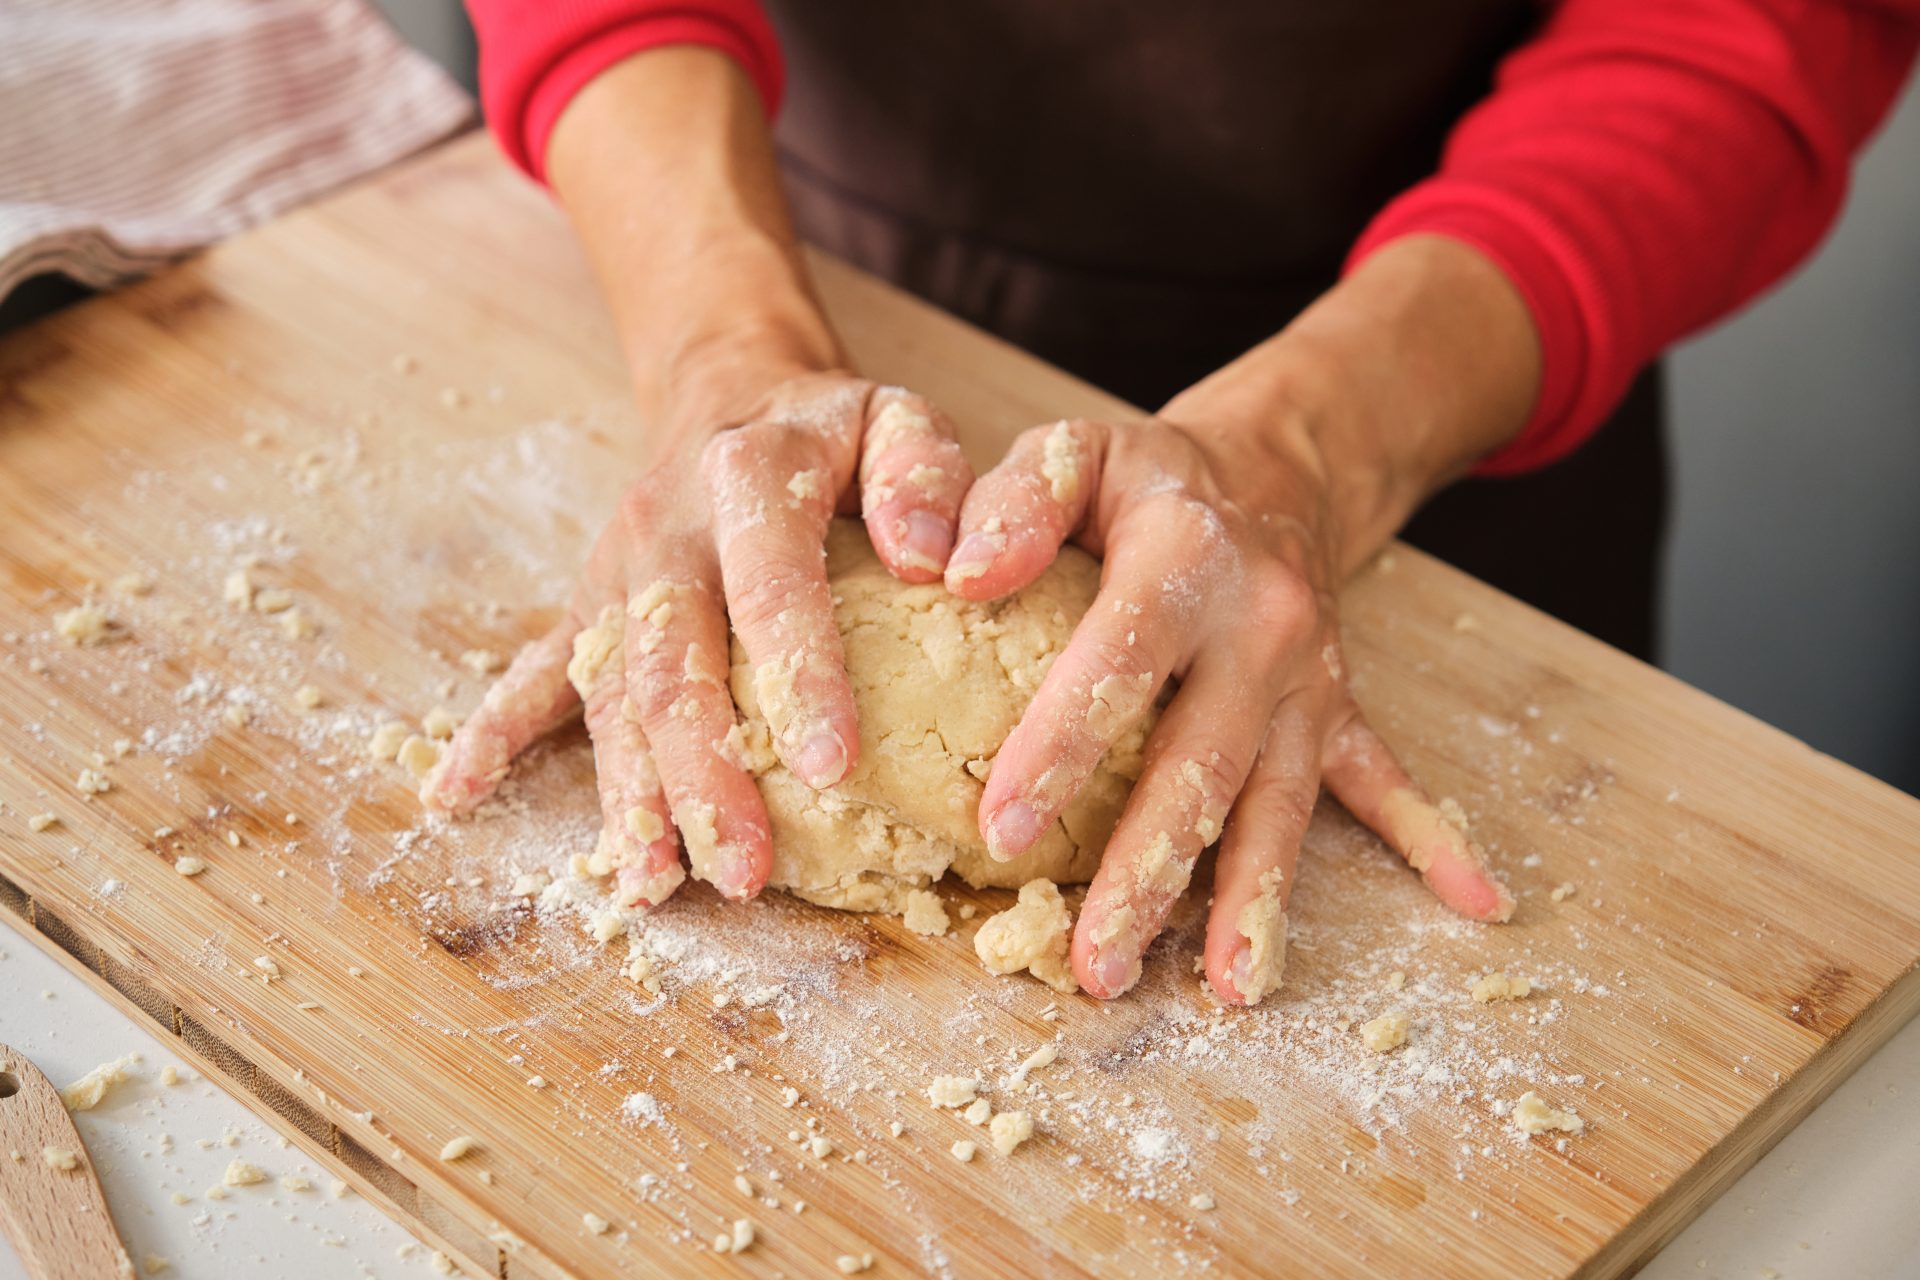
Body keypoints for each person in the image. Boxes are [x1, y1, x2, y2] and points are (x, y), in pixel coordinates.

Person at [425, 1, 1920, 1003]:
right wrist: (720, 348)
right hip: (783, 215)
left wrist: (1319, 449)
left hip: (1452, 363)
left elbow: (1747, 28)